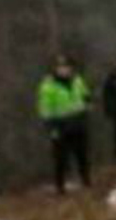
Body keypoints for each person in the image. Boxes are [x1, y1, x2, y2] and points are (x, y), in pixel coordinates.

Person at [36, 55, 92, 193]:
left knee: (82, 154)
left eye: (67, 67)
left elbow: (85, 94)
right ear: (55, 70)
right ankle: (60, 186)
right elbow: (45, 109)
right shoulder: (48, 87)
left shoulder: (77, 80)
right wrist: (51, 128)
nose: (64, 70)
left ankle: (86, 180)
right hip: (60, 124)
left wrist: (87, 103)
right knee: (60, 158)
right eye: (61, 68)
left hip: (78, 121)